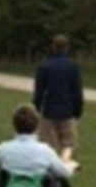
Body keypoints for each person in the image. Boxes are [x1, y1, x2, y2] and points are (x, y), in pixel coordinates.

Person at [0, 103, 76, 187]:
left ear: (14, 124)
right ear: (36, 126)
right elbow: (63, 172)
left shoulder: (4, 148)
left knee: (2, 175)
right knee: (53, 183)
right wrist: (71, 166)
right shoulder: (45, 151)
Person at [33, 34, 83, 163]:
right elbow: (77, 91)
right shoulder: (73, 67)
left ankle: (49, 169)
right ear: (67, 48)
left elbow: (39, 91)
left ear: (53, 47)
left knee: (47, 145)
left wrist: (37, 108)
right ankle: (63, 167)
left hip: (49, 110)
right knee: (68, 144)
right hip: (67, 110)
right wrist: (77, 111)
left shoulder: (44, 66)